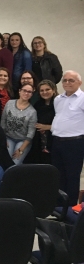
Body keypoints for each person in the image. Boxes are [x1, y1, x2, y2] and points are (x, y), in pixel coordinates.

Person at [51, 71, 84, 206]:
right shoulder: (58, 99)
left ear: (79, 83)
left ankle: (70, 208)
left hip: (74, 143)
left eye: (71, 80)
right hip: (57, 141)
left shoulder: (82, 98)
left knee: (72, 176)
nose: (67, 83)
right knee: (58, 176)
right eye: (65, 80)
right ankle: (59, 207)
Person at [1, 84, 37, 165]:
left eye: (29, 92)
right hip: (8, 138)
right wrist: (3, 139)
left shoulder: (32, 112)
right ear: (20, 91)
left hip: (22, 141)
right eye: (24, 90)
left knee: (15, 163)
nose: (26, 93)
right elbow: (3, 122)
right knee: (5, 160)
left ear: (31, 94)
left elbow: (31, 133)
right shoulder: (9, 103)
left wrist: (21, 150)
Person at [27, 80, 57, 165]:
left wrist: (48, 127)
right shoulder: (37, 104)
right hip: (39, 141)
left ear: (53, 90)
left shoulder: (58, 104)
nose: (45, 92)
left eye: (47, 89)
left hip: (54, 140)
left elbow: (64, 123)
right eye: (42, 90)